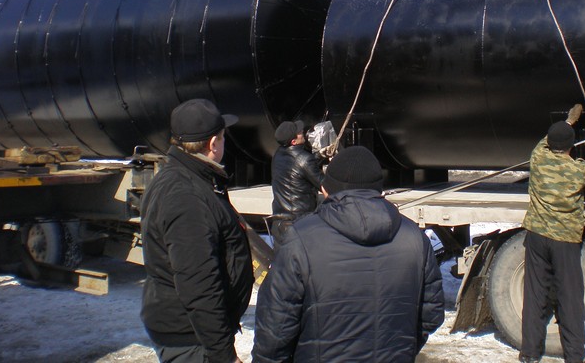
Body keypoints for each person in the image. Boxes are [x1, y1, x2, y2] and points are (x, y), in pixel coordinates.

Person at [252, 145, 445, 363]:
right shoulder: (415, 238)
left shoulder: (302, 239)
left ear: (325, 191)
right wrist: (401, 348)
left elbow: (274, 327)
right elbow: (431, 313)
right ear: (380, 192)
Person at [141, 99, 254, 363]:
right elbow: (199, 286)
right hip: (192, 339)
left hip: (193, 332)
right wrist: (224, 356)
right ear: (213, 143)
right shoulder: (186, 196)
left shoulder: (186, 177)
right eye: (223, 137)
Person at [519, 104, 585, 363]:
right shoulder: (578, 170)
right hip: (565, 241)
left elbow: (545, 140)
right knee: (570, 299)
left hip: (536, 236)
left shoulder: (538, 158)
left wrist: (569, 121)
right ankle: (574, 356)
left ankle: (529, 354)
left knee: (534, 296)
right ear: (572, 146)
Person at [269, 119, 324, 249]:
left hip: (279, 224)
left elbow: (299, 166)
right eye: (299, 132)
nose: (302, 132)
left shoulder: (277, 155)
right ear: (293, 142)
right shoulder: (304, 159)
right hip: (300, 226)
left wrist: (317, 157)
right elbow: (325, 186)